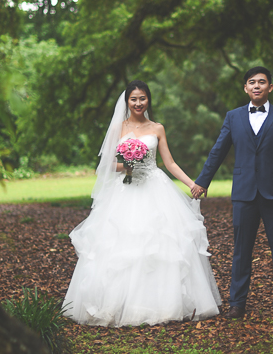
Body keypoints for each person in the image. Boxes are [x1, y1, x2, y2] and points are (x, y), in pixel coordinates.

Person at [62, 80, 221, 327]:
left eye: (143, 98)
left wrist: (192, 183)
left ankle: (163, 304)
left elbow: (169, 163)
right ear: (127, 101)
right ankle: (121, 304)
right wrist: (128, 165)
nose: (138, 103)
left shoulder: (157, 128)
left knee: (161, 245)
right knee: (121, 245)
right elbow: (106, 165)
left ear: (149, 100)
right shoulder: (118, 127)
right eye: (133, 99)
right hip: (124, 191)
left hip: (155, 188)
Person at [191, 66, 273, 320]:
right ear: (246, 88)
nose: (257, 86)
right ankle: (237, 302)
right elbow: (218, 151)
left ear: (270, 87)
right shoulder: (233, 117)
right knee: (241, 250)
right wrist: (203, 181)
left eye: (262, 82)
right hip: (244, 193)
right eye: (252, 82)